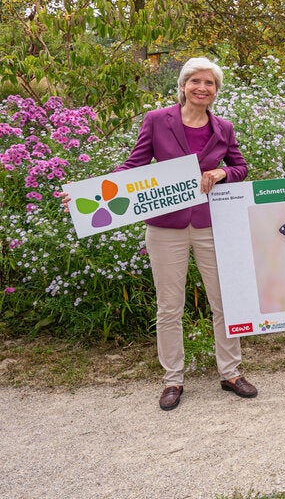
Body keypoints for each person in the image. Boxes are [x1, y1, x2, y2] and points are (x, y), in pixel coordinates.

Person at [61, 57, 257, 411]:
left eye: (209, 83)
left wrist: (223, 174)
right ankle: (173, 379)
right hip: (166, 225)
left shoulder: (223, 127)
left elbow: (241, 166)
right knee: (169, 306)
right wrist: (88, 193)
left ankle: (230, 373)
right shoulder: (157, 120)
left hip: (212, 225)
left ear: (216, 90)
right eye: (195, 81)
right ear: (182, 86)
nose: (202, 88)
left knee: (224, 301)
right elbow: (133, 165)